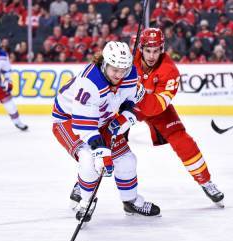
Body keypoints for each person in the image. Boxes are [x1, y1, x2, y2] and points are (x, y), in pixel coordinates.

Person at [52, 41, 161, 221]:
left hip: (103, 118)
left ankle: (130, 201)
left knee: (126, 161)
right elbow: (85, 126)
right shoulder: (89, 83)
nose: (119, 75)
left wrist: (125, 116)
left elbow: (130, 101)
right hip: (70, 120)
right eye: (114, 70)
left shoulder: (130, 73)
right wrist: (102, 153)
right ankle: (86, 202)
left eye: (123, 70)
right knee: (90, 160)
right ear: (105, 63)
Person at [132, 28, 224, 207]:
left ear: (162, 49)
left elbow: (154, 107)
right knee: (105, 138)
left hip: (154, 106)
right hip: (125, 105)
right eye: (148, 50)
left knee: (182, 139)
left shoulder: (170, 71)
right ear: (140, 48)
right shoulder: (128, 60)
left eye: (156, 50)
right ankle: (84, 184)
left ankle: (205, 181)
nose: (151, 56)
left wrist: (137, 91)